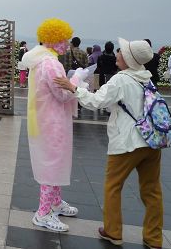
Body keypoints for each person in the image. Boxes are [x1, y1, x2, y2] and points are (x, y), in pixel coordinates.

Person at [54, 38, 162, 248]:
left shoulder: (121, 80)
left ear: (129, 59)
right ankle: (154, 238)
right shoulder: (147, 79)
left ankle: (113, 231)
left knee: (113, 186)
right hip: (151, 141)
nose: (118, 54)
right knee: (152, 191)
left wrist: (73, 88)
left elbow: (96, 102)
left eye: (122, 52)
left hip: (127, 142)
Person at [19, 18, 79, 232]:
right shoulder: (51, 63)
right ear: (55, 40)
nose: (67, 44)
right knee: (53, 164)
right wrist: (77, 81)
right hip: (53, 121)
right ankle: (43, 213)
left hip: (45, 118)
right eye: (65, 40)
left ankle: (55, 202)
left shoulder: (39, 59)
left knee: (54, 161)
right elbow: (63, 94)